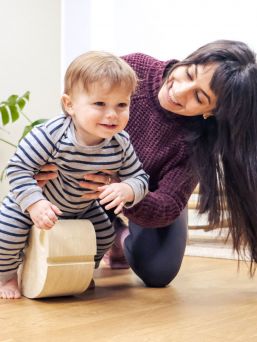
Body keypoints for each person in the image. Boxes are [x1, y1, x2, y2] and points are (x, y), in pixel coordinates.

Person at [35, 40, 257, 287]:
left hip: (143, 194)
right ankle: (109, 233)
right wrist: (47, 167)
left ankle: (119, 239)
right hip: (85, 183)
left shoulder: (195, 143)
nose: (180, 90)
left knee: (159, 271)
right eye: (189, 73)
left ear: (211, 113)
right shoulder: (134, 69)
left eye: (198, 96)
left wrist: (126, 191)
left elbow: (168, 204)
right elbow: (77, 106)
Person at [0, 51, 149, 299]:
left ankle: (81, 271)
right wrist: (35, 203)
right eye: (100, 104)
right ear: (70, 105)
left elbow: (139, 177)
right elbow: (17, 169)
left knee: (104, 234)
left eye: (121, 105)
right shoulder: (51, 135)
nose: (112, 114)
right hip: (31, 204)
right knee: (6, 234)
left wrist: (128, 189)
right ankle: (5, 276)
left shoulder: (120, 142)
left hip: (82, 207)